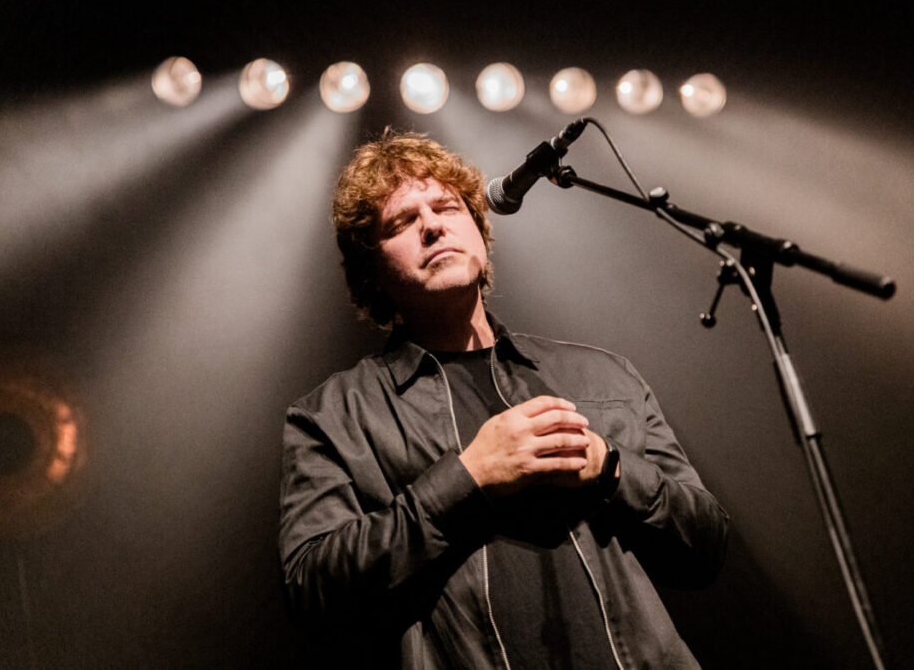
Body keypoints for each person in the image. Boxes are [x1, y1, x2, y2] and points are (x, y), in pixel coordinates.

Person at [278, 130, 729, 668]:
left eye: (446, 206)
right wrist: (468, 478)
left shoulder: (603, 374)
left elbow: (705, 548)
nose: (432, 225)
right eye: (401, 221)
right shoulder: (332, 416)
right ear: (370, 272)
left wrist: (610, 470)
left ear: (479, 229)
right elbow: (313, 592)